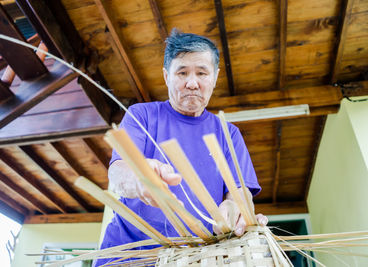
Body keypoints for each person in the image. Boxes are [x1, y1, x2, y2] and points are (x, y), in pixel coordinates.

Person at [93, 29, 268, 266]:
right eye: (182, 72)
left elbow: (240, 192)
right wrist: (139, 178)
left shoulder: (228, 133)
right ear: (167, 76)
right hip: (127, 255)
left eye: (202, 73)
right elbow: (118, 172)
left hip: (195, 259)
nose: (192, 83)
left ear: (215, 77)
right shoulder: (142, 115)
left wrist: (234, 209)